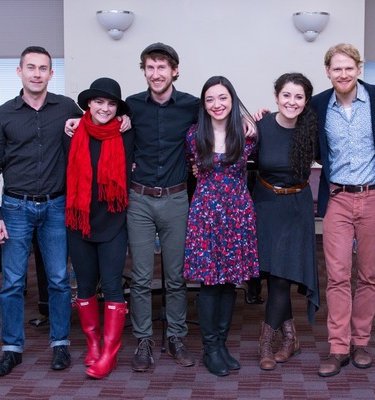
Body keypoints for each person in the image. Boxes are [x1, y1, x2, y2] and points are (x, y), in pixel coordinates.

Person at [0, 46, 83, 376]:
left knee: (58, 279)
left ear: (52, 74)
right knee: (11, 282)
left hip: (55, 205)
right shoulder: (2, 114)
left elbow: (97, 123)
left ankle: (60, 345)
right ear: (20, 72)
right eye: (31, 67)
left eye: (43, 68)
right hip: (14, 208)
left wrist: (122, 119)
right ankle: (12, 349)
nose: (37, 73)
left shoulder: (67, 107)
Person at [310, 43, 375, 378]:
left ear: (359, 69)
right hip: (337, 198)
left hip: (374, 197)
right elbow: (298, 129)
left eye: (349, 68)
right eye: (337, 69)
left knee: (369, 275)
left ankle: (361, 341)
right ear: (328, 72)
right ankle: (338, 347)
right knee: (337, 275)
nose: (343, 74)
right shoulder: (318, 105)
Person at [125, 43, 198, 371]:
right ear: (144, 71)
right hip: (138, 200)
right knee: (140, 278)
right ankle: (143, 339)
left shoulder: (192, 106)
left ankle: (176, 336)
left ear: (175, 70)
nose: (156, 74)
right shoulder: (130, 106)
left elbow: (223, 116)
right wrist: (73, 121)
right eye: (150, 68)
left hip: (176, 198)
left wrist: (256, 119)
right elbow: (97, 120)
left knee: (176, 276)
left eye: (162, 68)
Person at [184, 76, 259, 377]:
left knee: (231, 282)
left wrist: (255, 117)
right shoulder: (193, 136)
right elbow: (190, 168)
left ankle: (222, 344)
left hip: (237, 212)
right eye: (210, 99)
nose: (217, 104)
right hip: (205, 213)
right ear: (204, 104)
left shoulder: (247, 135)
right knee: (210, 283)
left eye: (223, 98)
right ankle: (210, 348)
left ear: (232, 100)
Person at [64, 77, 135, 379]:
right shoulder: (71, 132)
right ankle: (93, 343)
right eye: (99, 102)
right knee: (84, 284)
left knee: (112, 285)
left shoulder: (127, 133)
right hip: (79, 220)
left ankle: (109, 352)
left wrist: (129, 119)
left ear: (118, 109)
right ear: (89, 104)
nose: (105, 108)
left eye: (111, 104)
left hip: (113, 220)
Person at [253, 72, 320, 371]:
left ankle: (266, 342)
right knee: (272, 273)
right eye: (286, 95)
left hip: (296, 206)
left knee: (281, 276)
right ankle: (290, 338)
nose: (292, 102)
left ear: (306, 101)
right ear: (276, 96)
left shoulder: (312, 129)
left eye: (299, 97)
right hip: (265, 204)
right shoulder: (261, 126)